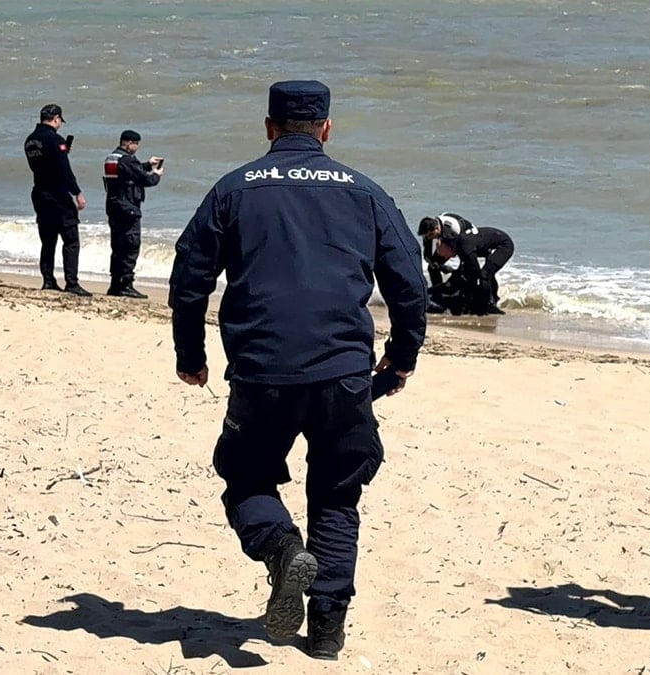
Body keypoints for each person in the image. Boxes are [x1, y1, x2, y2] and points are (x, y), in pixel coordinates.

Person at [168, 80, 427, 661]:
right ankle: (328, 631)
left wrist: (191, 355)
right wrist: (404, 356)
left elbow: (190, 278)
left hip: (262, 369)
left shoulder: (234, 188)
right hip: (343, 371)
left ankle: (282, 549)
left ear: (269, 127)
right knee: (336, 496)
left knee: (245, 475)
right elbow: (409, 284)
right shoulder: (363, 191)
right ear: (327, 129)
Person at [24, 103, 91, 296]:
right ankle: (72, 283)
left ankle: (48, 280)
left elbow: (43, 164)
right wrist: (77, 192)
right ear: (56, 119)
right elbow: (63, 169)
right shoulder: (55, 140)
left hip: (39, 192)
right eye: (60, 120)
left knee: (48, 239)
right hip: (57, 195)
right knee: (71, 239)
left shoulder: (30, 140)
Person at [103, 129, 164, 298]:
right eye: (136, 144)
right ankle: (125, 284)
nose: (136, 147)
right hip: (127, 208)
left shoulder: (112, 157)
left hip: (114, 206)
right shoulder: (126, 160)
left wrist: (147, 164)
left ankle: (116, 284)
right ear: (130, 143)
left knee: (117, 246)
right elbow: (145, 180)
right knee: (130, 245)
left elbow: (128, 171)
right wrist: (156, 175)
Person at [434, 226, 515, 316]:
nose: (445, 257)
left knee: (485, 275)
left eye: (444, 254)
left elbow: (475, 273)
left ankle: (484, 309)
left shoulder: (465, 249)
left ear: (449, 248)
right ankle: (490, 301)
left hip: (504, 246)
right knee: (483, 274)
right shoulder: (458, 245)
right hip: (488, 245)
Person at [418, 212, 476, 287]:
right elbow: (427, 256)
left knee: (466, 269)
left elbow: (458, 252)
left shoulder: (449, 230)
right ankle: (437, 291)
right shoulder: (429, 231)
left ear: (436, 228)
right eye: (427, 236)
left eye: (431, 235)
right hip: (450, 236)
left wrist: (448, 269)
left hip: (467, 235)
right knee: (432, 268)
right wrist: (438, 265)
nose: (429, 238)